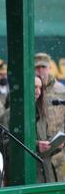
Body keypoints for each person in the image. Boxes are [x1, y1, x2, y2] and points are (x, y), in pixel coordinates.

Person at [35, 52, 65, 181]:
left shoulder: (61, 91)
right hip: (37, 153)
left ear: (50, 68)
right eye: (37, 68)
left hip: (60, 151)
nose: (41, 71)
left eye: (44, 67)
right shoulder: (28, 91)